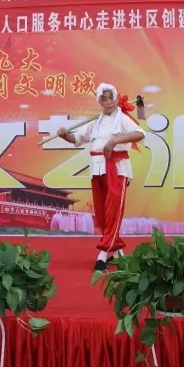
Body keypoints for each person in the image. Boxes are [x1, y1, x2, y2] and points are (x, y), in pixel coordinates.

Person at [57, 83, 145, 271]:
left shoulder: (122, 119)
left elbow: (139, 134)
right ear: (99, 101)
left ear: (116, 98)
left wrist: (114, 141)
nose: (108, 101)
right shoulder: (95, 122)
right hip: (97, 169)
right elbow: (77, 138)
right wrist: (65, 135)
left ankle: (102, 255)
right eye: (104, 98)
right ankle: (118, 253)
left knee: (114, 211)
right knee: (102, 214)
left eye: (111, 97)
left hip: (117, 169)